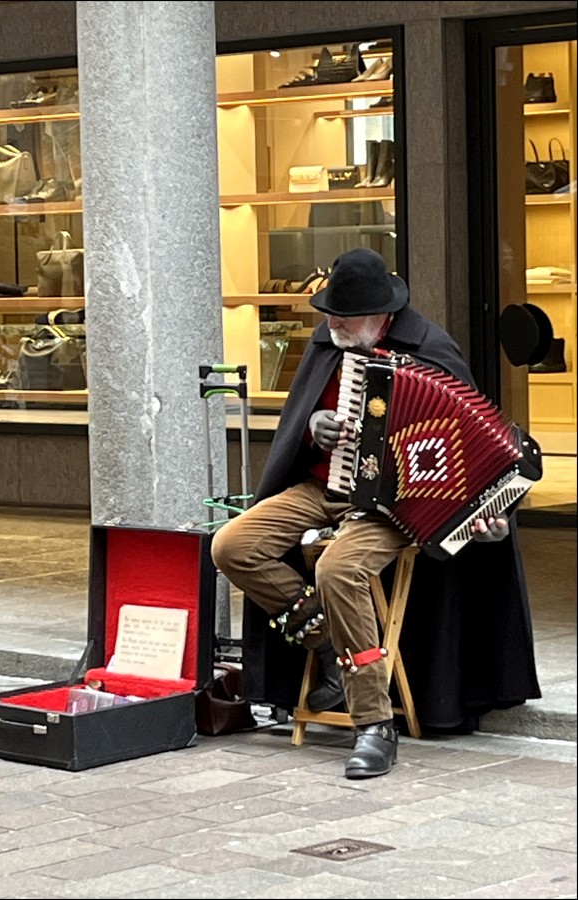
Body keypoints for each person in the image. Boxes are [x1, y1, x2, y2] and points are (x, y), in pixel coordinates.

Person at [211, 247, 541, 780]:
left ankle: (373, 723)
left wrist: (485, 514)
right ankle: (327, 642)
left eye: (344, 317)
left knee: (338, 568)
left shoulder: (429, 349)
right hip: (323, 486)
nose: (333, 325)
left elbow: (465, 450)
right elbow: (302, 420)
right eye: (329, 315)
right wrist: (315, 423)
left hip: (394, 506)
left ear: (382, 315)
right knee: (232, 546)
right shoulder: (330, 341)